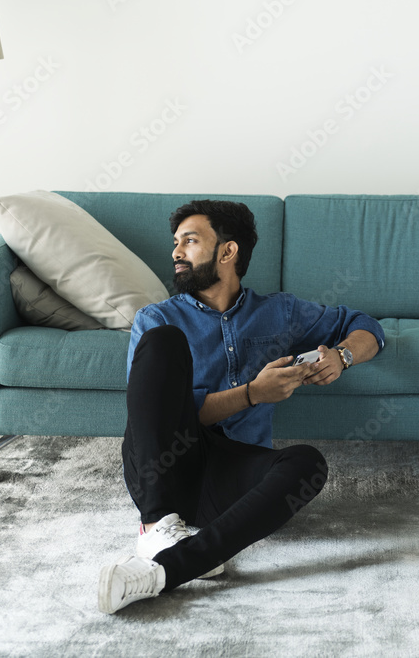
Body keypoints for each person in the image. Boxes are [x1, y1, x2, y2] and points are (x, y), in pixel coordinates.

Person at [98, 199, 384, 614]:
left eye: (190, 241)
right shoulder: (156, 318)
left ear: (228, 251)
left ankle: (167, 569)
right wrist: (253, 392)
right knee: (164, 342)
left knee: (307, 462)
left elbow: (365, 325)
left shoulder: (279, 312)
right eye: (176, 243)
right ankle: (156, 526)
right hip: (162, 470)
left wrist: (342, 356)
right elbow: (151, 416)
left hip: (230, 477)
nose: (176, 252)